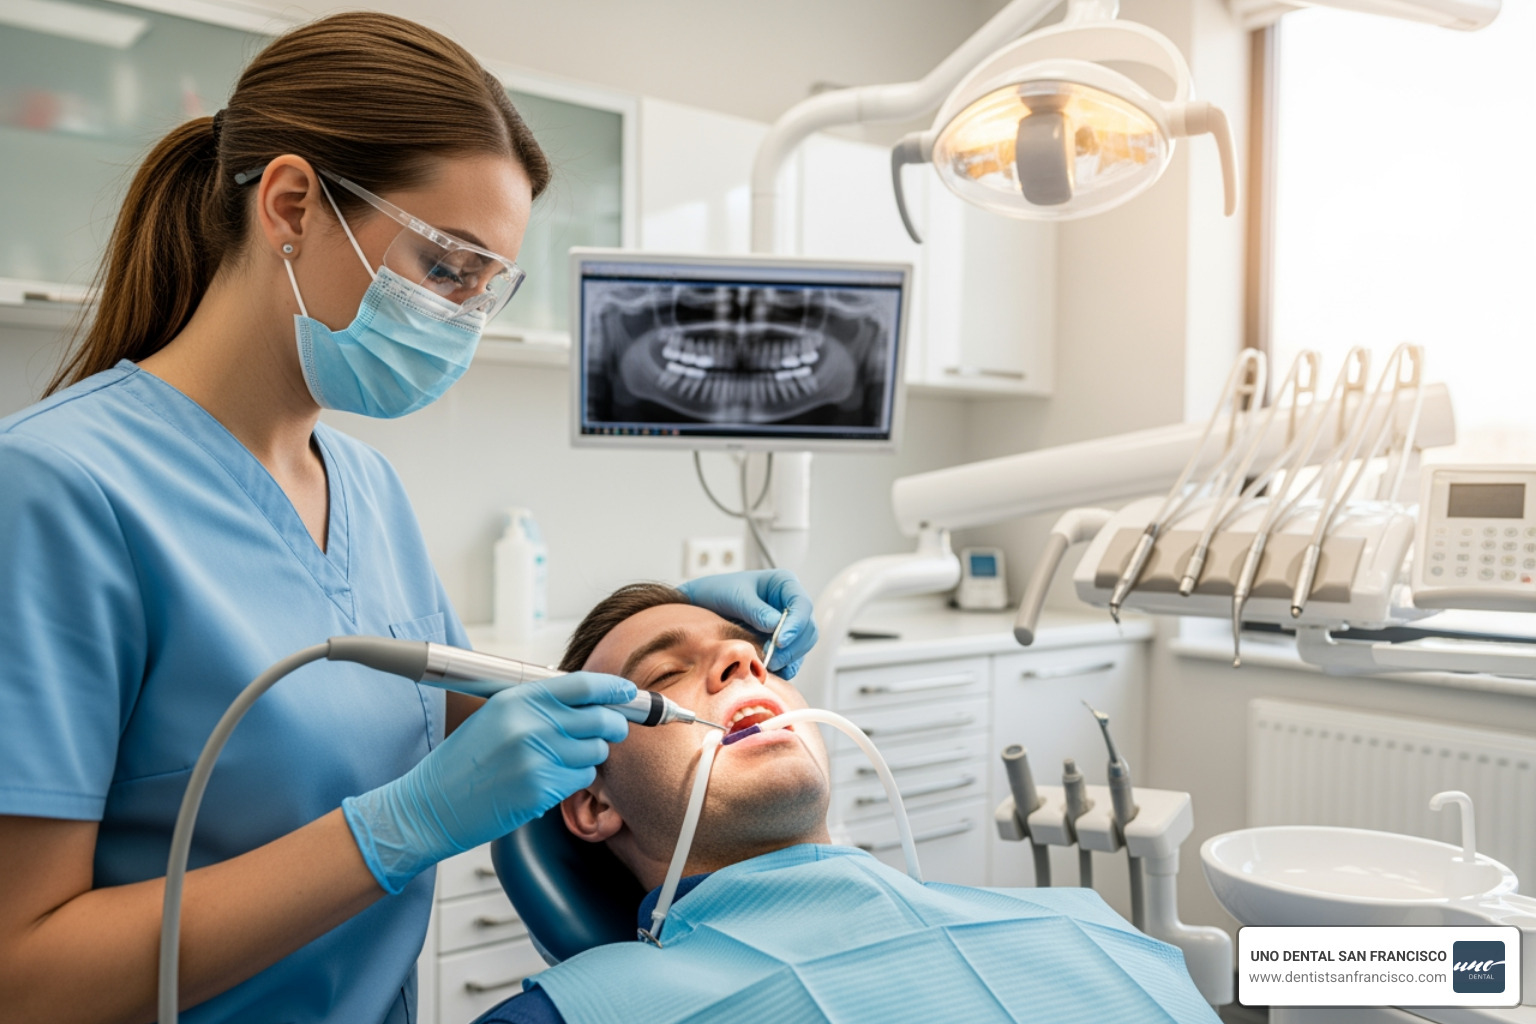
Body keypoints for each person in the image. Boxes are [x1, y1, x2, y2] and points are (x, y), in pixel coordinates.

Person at [0, 15, 815, 1023]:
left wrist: (681, 638)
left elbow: (488, 719)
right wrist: (392, 830)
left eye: (486, 288)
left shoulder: (365, 487)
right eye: (445, 268)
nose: (463, 318)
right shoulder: (57, 492)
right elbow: (24, 977)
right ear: (291, 204)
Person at [475, 583, 1221, 1024]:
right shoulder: (578, 1016)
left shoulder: (1090, 928)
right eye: (667, 672)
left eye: (751, 656)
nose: (742, 661)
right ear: (593, 805)